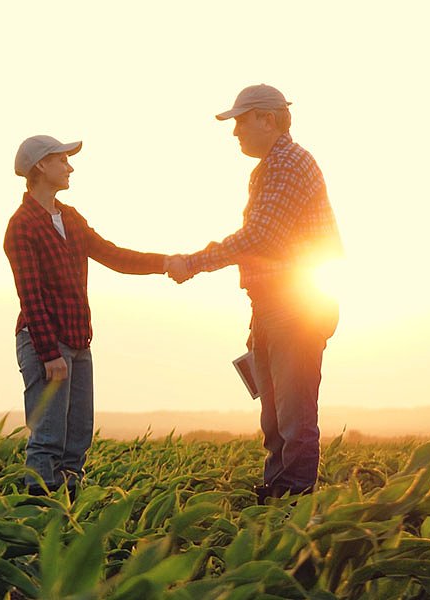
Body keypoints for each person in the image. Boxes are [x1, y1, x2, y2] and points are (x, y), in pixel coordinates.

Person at [165, 84, 344, 502]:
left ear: (268, 118)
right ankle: (275, 501)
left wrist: (193, 262)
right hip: (272, 307)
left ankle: (291, 508)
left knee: (294, 420)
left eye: (241, 121)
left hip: (294, 308)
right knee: (276, 419)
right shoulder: (272, 166)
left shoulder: (287, 163)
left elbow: (261, 235)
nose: (235, 133)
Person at [4, 135, 168, 498]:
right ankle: (38, 515)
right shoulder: (22, 226)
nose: (70, 167)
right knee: (47, 437)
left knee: (78, 435)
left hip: (79, 340)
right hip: (46, 342)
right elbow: (30, 295)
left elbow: (113, 256)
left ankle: (69, 508)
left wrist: (165, 263)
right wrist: (49, 354)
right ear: (41, 166)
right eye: (62, 160)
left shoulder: (71, 218)